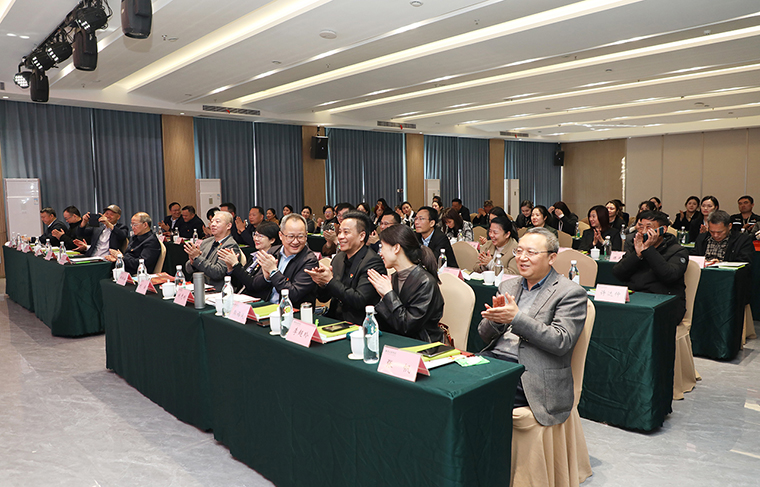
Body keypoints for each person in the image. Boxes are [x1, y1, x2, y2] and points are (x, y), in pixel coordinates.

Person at [478, 227, 588, 425]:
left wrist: (516, 319)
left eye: (531, 252)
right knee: (453, 384)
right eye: (519, 251)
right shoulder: (508, 286)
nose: (522, 258)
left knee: (478, 397)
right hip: (495, 360)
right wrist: (496, 320)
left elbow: (561, 341)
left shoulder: (570, 292)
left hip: (532, 374)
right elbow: (484, 335)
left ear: (552, 258)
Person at [367, 224, 445, 343]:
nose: (380, 253)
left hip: (422, 344)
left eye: (382, 247)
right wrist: (383, 297)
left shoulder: (425, 282)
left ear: (396, 248)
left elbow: (407, 326)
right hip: (397, 340)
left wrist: (388, 294)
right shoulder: (394, 278)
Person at [306, 211, 386, 324]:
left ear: (362, 236)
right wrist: (322, 283)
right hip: (334, 319)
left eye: (346, 232)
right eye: (339, 232)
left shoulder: (373, 262)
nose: (340, 237)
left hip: (359, 324)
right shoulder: (338, 258)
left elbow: (360, 301)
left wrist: (330, 281)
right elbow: (323, 298)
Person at [220, 214, 317, 307]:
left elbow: (293, 294)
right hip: (266, 306)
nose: (295, 241)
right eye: (291, 236)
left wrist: (273, 272)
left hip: (292, 312)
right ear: (281, 235)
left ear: (306, 235)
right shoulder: (273, 252)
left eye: (300, 236)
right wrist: (266, 278)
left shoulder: (309, 260)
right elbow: (253, 285)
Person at [612, 210, 689, 322]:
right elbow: (618, 273)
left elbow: (669, 276)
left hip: (665, 303)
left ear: (663, 229)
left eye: (649, 227)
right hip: (636, 299)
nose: (643, 231)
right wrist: (637, 255)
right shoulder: (637, 246)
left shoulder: (678, 250)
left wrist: (648, 250)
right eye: (640, 227)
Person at [184, 211, 241, 291]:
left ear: (228, 226)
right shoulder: (206, 241)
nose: (213, 224)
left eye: (217, 222)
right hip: (199, 285)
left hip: (216, 289)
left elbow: (217, 273)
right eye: (212, 222)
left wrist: (197, 258)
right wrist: (192, 262)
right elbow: (188, 269)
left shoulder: (230, 245)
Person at [219, 221, 281, 291]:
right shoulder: (254, 256)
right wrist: (230, 268)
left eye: (260, 236)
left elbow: (252, 284)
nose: (256, 239)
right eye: (255, 235)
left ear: (272, 240)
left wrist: (236, 264)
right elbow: (238, 283)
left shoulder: (271, 260)